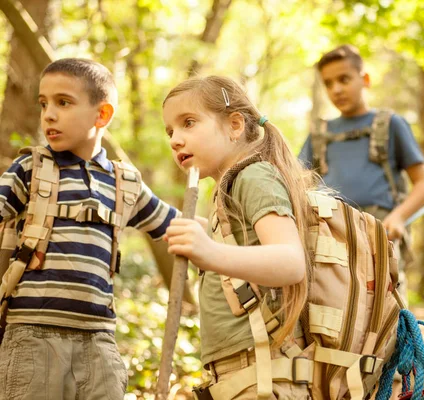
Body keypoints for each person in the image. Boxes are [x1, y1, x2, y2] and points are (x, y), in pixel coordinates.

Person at [0, 58, 178, 399]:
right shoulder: (32, 168)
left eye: (63, 102)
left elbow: (176, 227)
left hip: (98, 338)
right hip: (33, 334)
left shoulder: (124, 182)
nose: (48, 114)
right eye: (43, 103)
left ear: (102, 115)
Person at [162, 76, 315, 399]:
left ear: (234, 125)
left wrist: (210, 252)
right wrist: (208, 240)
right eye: (170, 131)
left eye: (188, 123)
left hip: (265, 371)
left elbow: (291, 262)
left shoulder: (253, 175)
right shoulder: (226, 189)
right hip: (243, 372)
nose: (176, 139)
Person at [298, 44, 424, 303]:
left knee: (386, 307)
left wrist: (399, 216)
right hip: (331, 233)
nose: (336, 89)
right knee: (340, 309)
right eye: (328, 83)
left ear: (365, 80)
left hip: (381, 231)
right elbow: (296, 181)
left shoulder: (390, 124)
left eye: (344, 79)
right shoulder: (318, 134)